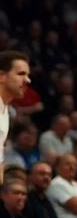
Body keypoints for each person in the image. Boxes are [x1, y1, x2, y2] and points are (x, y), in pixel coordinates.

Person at [0, 54, 31, 187]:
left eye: (28, 75)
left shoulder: (5, 111)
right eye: (21, 74)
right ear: (1, 76)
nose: (28, 80)